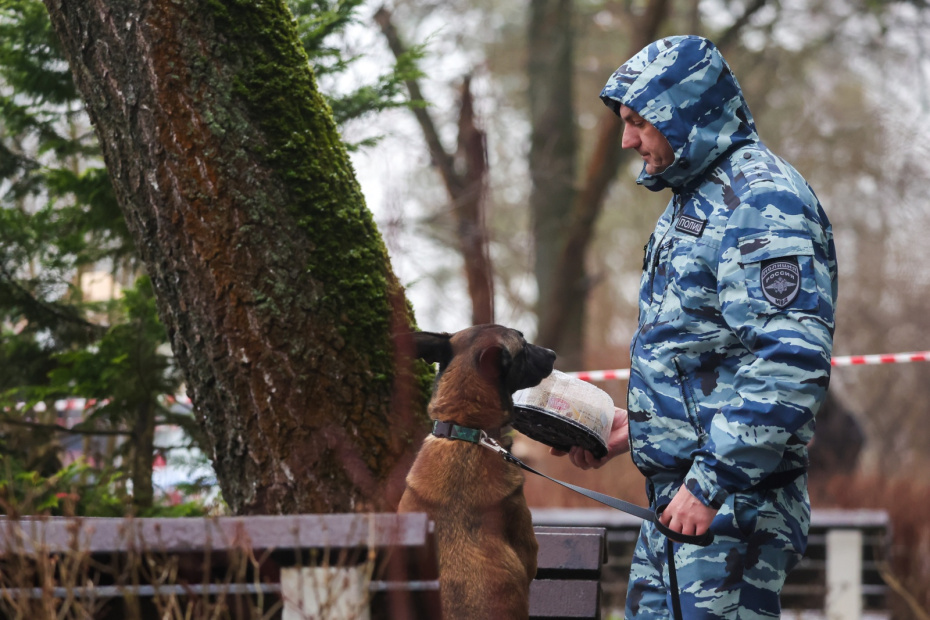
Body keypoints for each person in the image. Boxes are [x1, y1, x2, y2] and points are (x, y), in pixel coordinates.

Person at [551, 35, 838, 618]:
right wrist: (638, 425)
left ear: (687, 113)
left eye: (640, 122)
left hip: (731, 509)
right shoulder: (697, 199)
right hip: (683, 505)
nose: (628, 139)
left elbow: (790, 361)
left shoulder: (759, 201)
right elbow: (707, 355)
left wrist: (711, 481)